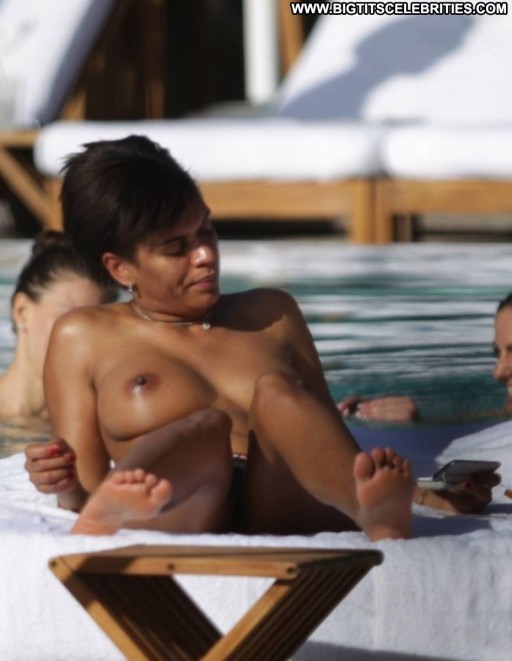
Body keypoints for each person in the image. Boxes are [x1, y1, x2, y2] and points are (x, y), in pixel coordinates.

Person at [23, 136, 495, 539]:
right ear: (120, 268)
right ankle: (117, 507)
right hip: (181, 499)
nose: (205, 255)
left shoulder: (271, 313)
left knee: (277, 390)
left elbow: (330, 445)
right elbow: (80, 483)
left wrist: (427, 496)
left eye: (206, 230)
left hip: (282, 498)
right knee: (204, 427)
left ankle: (374, 513)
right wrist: (63, 483)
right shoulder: (85, 335)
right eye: (177, 248)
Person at [0, 231, 116, 436]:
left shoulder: (106, 421)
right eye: (69, 319)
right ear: (21, 311)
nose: (85, 339)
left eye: (97, 322)